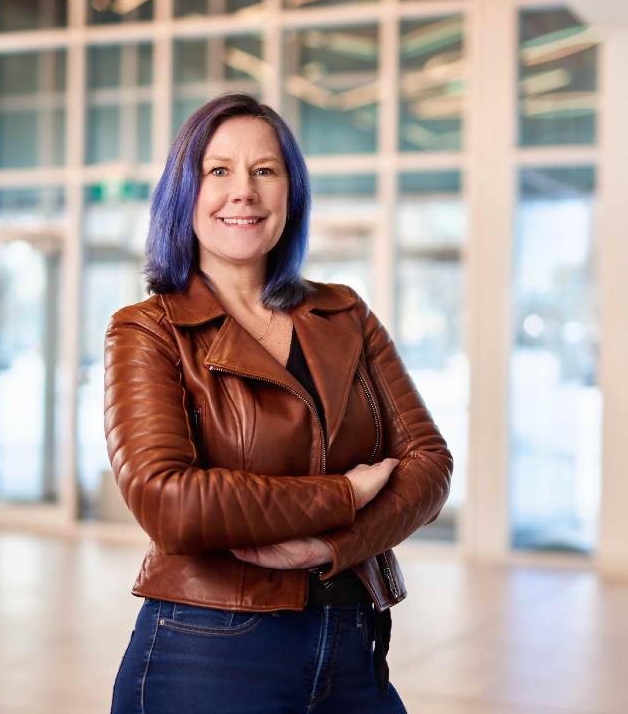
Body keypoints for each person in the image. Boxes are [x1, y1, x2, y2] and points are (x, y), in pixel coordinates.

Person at [104, 92, 453, 713]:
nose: (244, 191)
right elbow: (168, 503)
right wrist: (343, 495)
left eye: (265, 170)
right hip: (207, 647)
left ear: (291, 193)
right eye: (219, 171)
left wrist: (328, 547)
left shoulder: (344, 313)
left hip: (352, 640)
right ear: (184, 194)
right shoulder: (148, 329)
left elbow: (429, 463)